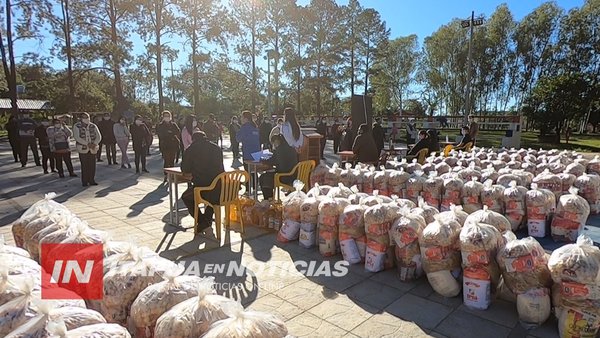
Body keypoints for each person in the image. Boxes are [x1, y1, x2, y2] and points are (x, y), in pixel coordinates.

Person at [181, 131, 225, 232]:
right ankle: (207, 218)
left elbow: (185, 169)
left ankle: (202, 220)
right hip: (220, 186)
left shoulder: (191, 149)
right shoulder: (216, 147)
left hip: (203, 187)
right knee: (212, 198)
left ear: (193, 139)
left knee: (186, 197)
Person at [259, 134, 299, 200]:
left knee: (263, 177)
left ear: (276, 141)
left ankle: (268, 198)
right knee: (267, 176)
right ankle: (269, 198)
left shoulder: (279, 150)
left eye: (273, 143)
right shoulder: (291, 148)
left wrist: (262, 160)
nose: (273, 145)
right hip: (293, 175)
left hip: (284, 176)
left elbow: (272, 161)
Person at [73, 112, 101, 186]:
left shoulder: (93, 126)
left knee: (92, 165)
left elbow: (99, 136)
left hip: (93, 148)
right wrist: (87, 144)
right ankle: (84, 181)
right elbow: (77, 137)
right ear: (81, 118)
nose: (87, 119)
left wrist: (94, 143)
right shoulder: (77, 126)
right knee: (84, 165)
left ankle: (92, 180)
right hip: (83, 148)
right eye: (85, 117)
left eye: (87, 117)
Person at [237, 110, 261, 187]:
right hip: (257, 153)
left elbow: (238, 138)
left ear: (246, 118)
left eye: (242, 117)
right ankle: (255, 188)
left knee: (248, 173)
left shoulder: (244, 127)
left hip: (248, 153)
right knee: (254, 172)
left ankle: (248, 190)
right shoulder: (255, 127)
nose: (240, 119)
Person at [156, 111, 181, 179]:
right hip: (165, 145)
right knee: (166, 160)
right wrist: (170, 133)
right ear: (163, 117)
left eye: (168, 116)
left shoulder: (173, 124)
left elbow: (178, 131)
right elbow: (161, 134)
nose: (167, 117)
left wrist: (170, 133)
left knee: (172, 160)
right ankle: (166, 174)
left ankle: (172, 174)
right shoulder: (161, 125)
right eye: (165, 116)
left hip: (173, 145)